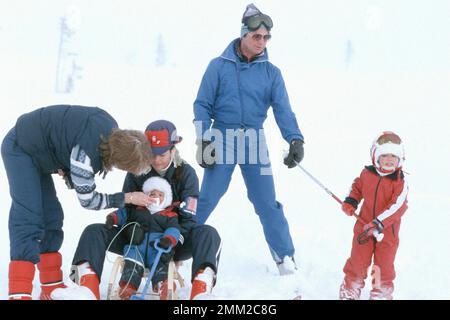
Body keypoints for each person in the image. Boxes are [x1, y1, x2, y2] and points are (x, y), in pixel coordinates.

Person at [52, 120, 222, 300]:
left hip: (169, 241)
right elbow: (126, 207)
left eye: (162, 154)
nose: (156, 160)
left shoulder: (186, 174)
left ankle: (201, 291)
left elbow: (188, 219)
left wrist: (171, 241)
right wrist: (118, 219)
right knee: (93, 231)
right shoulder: (137, 170)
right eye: (151, 154)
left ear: (173, 150)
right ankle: (86, 288)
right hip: (135, 239)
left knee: (209, 234)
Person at [193, 3, 305, 275]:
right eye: (257, 36)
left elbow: (282, 109)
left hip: (255, 142)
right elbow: (202, 105)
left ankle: (284, 257)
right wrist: (204, 140)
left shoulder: (271, 73)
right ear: (244, 34)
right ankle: (175, 246)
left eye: (266, 37)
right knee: (207, 198)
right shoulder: (218, 66)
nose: (262, 42)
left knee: (267, 202)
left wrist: (295, 139)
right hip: (222, 137)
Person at [1, 105, 154, 300]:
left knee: (52, 216)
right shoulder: (85, 156)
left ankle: (51, 286)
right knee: (29, 216)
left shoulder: (110, 127)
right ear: (121, 162)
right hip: (20, 149)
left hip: (40, 155)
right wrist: (127, 198)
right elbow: (88, 201)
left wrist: (66, 166)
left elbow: (68, 137)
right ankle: (19, 292)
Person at [339, 131, 409, 300]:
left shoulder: (400, 182)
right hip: (363, 227)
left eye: (394, 156)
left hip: (386, 234)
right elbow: (357, 187)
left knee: (383, 266)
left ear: (400, 159)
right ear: (375, 156)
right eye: (385, 155)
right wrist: (351, 201)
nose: (390, 159)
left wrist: (378, 223)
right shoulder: (367, 174)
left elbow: (398, 206)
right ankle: (351, 288)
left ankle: (380, 293)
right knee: (358, 261)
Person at [109, 176, 181, 300]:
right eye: (152, 194)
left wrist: (168, 239)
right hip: (137, 247)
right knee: (132, 263)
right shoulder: (138, 210)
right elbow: (124, 214)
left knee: (160, 265)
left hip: (157, 248)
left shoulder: (169, 215)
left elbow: (174, 229)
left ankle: (163, 286)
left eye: (160, 194)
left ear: (166, 198)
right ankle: (128, 287)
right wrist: (113, 218)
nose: (155, 196)